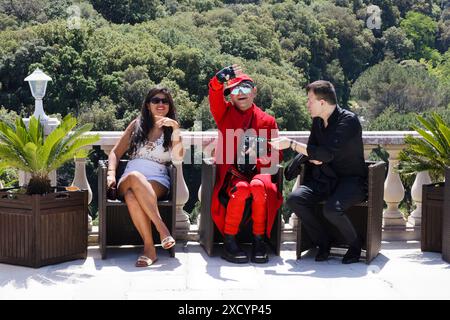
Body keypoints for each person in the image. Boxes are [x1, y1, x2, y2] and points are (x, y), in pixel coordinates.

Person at [270, 80, 367, 264]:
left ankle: (355, 245)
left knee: (332, 209)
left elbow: (325, 154)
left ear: (322, 103)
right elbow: (314, 151)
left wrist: (291, 144)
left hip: (351, 181)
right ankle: (323, 242)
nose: (307, 104)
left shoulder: (349, 121)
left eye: (310, 100)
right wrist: (312, 156)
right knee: (295, 199)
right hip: (324, 178)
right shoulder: (317, 121)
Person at [208, 64, 283, 264]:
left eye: (245, 88)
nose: (240, 93)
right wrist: (218, 80)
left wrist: (256, 158)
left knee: (258, 187)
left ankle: (259, 241)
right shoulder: (224, 115)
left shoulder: (268, 121)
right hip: (233, 175)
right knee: (241, 189)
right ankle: (229, 241)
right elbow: (214, 97)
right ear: (230, 96)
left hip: (259, 173)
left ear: (254, 91)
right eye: (235, 90)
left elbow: (276, 155)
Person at [106, 86, 184, 267]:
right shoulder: (137, 125)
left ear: (169, 106)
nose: (160, 104)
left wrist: (176, 129)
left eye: (165, 101)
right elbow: (115, 153)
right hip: (128, 178)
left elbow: (178, 159)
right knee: (135, 176)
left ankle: (150, 249)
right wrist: (111, 174)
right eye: (156, 100)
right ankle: (162, 229)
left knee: (132, 197)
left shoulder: (171, 130)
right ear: (148, 105)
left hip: (158, 180)